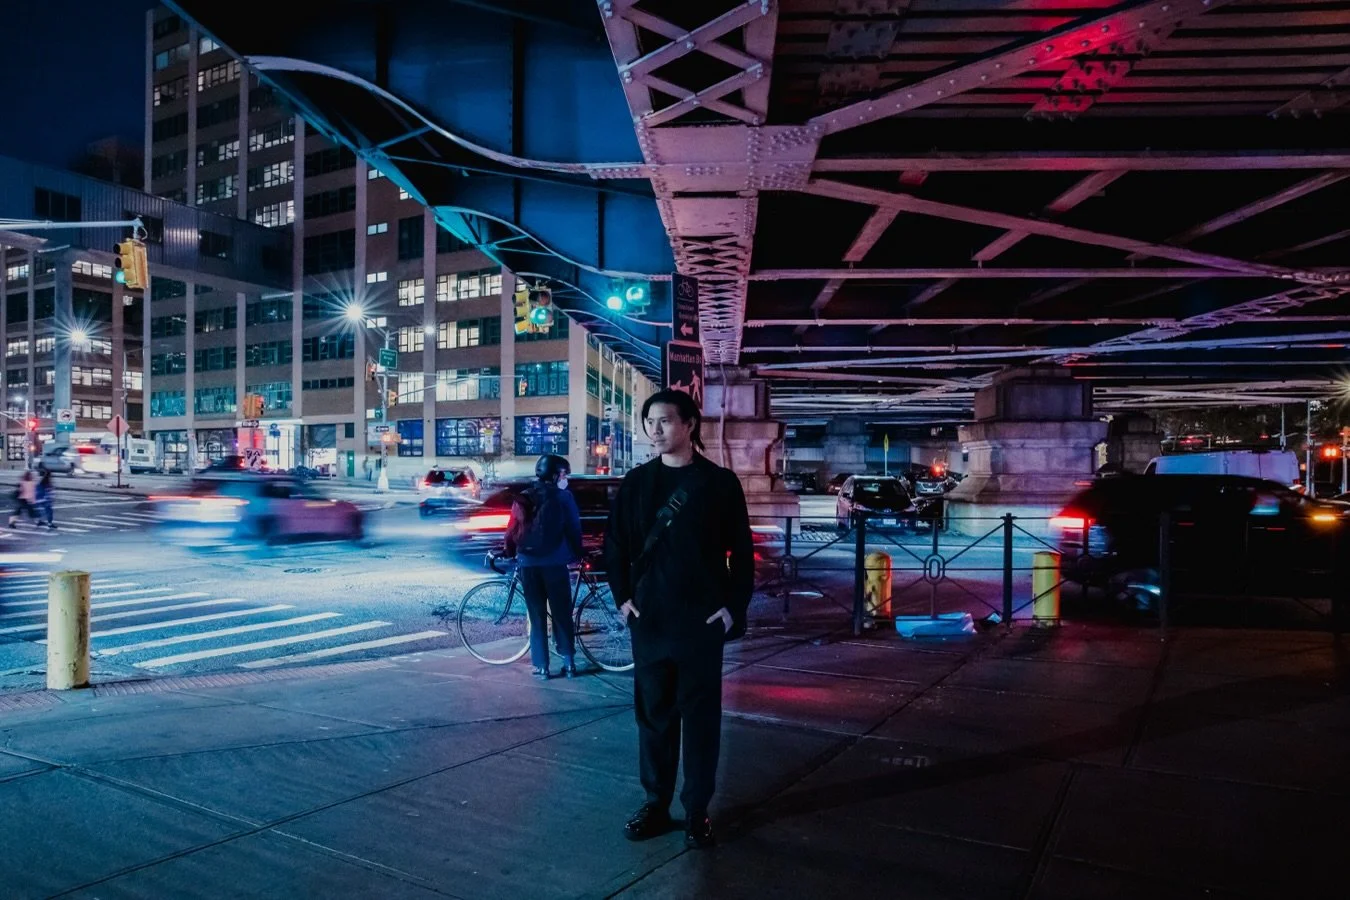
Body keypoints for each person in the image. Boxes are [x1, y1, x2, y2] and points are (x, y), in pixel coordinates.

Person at [605, 388, 753, 850]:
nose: (656, 429)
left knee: (701, 719)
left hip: (700, 623)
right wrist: (622, 598)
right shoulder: (635, 484)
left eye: (666, 420)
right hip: (649, 621)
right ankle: (656, 803)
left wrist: (732, 608)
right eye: (651, 421)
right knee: (653, 718)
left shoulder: (719, 483)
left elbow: (741, 553)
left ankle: (697, 810)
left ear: (689, 424)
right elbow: (616, 547)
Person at [507, 453, 583, 680]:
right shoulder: (564, 497)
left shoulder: (523, 496)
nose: (565, 478)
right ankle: (569, 663)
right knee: (562, 613)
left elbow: (512, 529)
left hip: (528, 564)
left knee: (536, 614)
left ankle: (541, 666)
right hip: (555, 563)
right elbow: (573, 528)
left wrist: (511, 554)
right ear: (556, 474)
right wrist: (577, 554)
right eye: (564, 474)